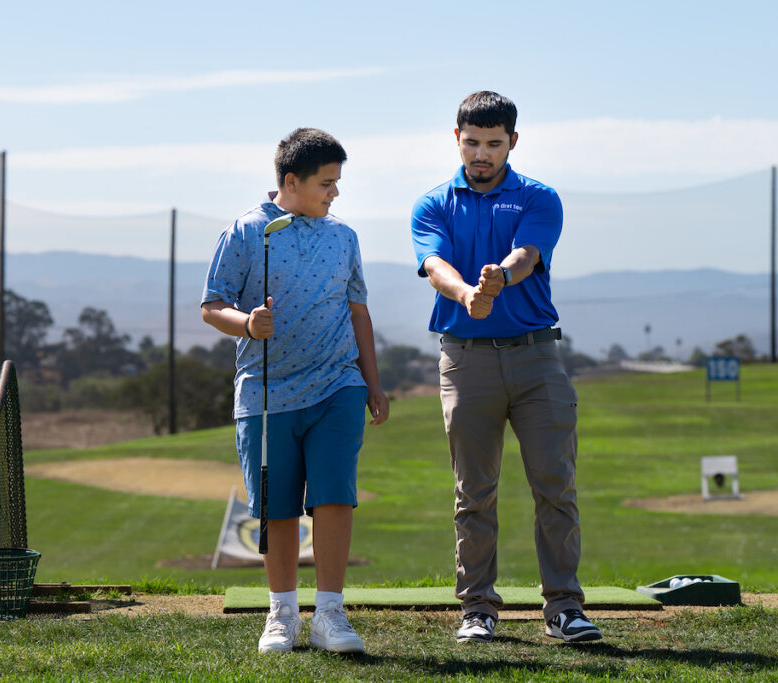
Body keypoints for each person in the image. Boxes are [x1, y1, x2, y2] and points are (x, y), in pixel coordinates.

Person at [410, 91, 601, 644]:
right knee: (473, 491)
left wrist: (500, 278)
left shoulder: (538, 197)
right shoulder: (432, 203)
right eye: (472, 142)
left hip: (537, 357)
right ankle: (478, 608)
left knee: (555, 484)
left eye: (494, 144)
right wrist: (467, 293)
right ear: (457, 139)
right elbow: (434, 263)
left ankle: (564, 608)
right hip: (464, 360)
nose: (481, 154)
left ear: (513, 142)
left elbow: (528, 254)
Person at [201, 127, 389, 654]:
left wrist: (372, 383)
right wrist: (246, 323)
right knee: (276, 507)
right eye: (326, 183)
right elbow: (212, 305)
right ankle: (282, 614)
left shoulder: (343, 236)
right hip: (265, 395)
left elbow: (358, 312)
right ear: (291, 182)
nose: (335, 193)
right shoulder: (246, 231)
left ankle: (330, 615)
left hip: (338, 385)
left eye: (336, 182)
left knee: (334, 497)